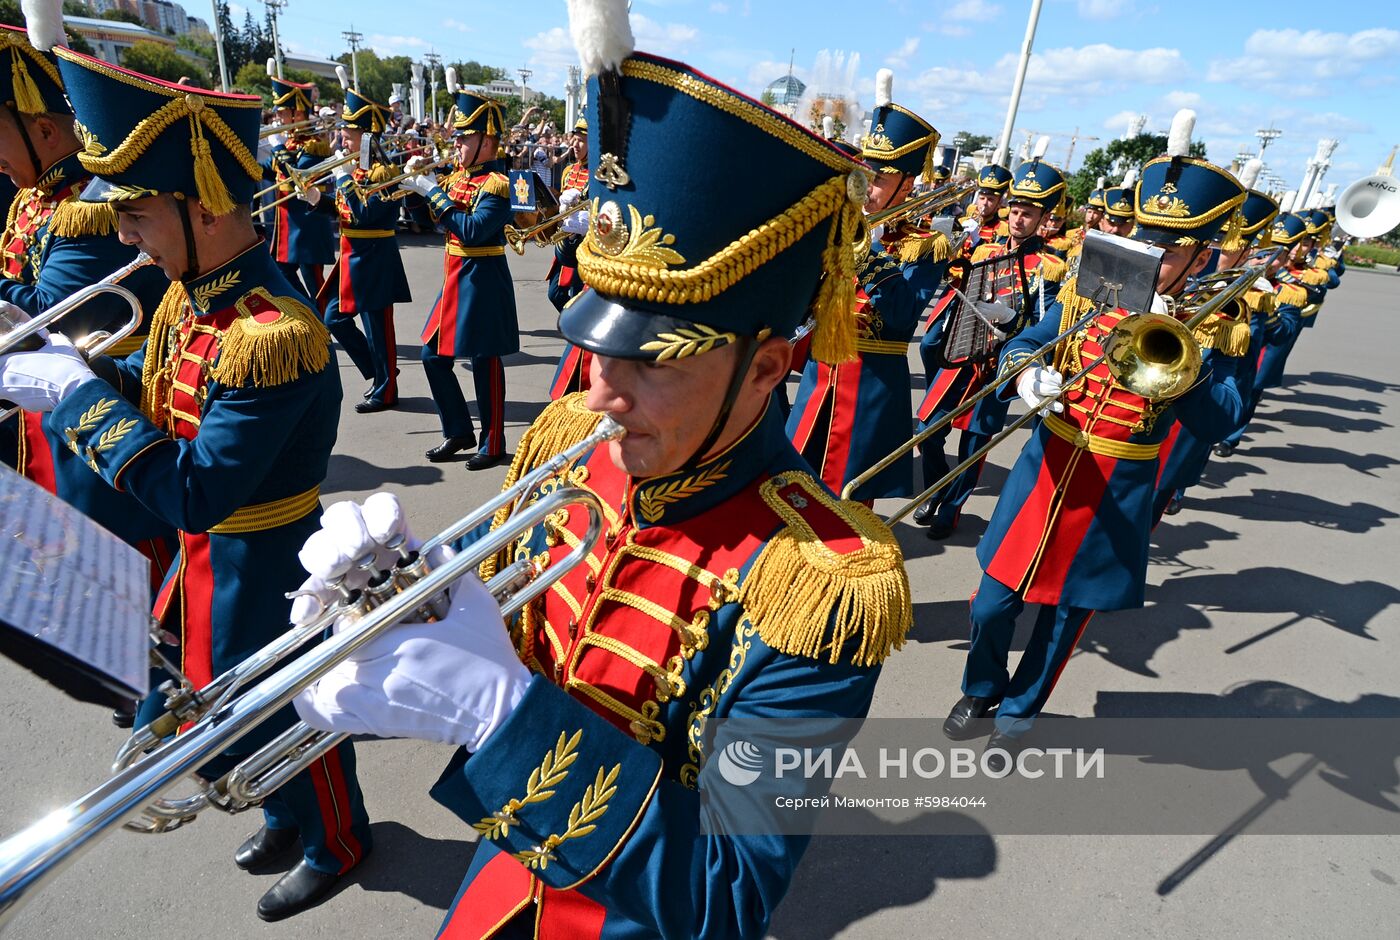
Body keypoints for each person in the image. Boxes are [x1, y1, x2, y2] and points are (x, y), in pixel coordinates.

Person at [290, 10, 911, 934]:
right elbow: (497, 607)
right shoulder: (576, 438)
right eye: (595, 349)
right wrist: (409, 596)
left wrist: (503, 719)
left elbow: (726, 898)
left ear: (770, 366)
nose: (602, 393)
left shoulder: (818, 583)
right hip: (502, 874)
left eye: (655, 361)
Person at [0, 45, 371, 921]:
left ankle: (338, 839)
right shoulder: (184, 295)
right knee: (230, 702)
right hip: (206, 560)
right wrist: (65, 363)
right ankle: (284, 813)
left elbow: (197, 492)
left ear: (202, 206)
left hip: (266, 553)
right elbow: (165, 411)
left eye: (136, 216)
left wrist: (79, 401)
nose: (123, 235)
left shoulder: (271, 333)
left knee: (288, 711)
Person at [943, 112, 1248, 756]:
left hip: (1117, 486)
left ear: (1197, 254)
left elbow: (1224, 417)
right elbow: (1026, 341)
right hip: (1048, 464)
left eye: (1173, 247)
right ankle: (981, 684)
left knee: (1062, 618)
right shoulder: (1088, 296)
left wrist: (1182, 355)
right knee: (992, 602)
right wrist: (1026, 376)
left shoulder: (1210, 322)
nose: (1154, 256)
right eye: (1148, 238)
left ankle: (1018, 717)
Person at [0, 17, 173, 621]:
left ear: (45, 128)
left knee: (123, 562)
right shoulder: (34, 197)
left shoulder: (91, 207)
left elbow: (53, 312)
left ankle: (154, 680)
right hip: (52, 408)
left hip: (111, 401)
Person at [787, 68, 949, 502]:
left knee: (848, 507)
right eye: (867, 172)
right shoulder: (841, 222)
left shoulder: (926, 245)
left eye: (881, 177)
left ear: (908, 184)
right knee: (792, 488)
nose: (868, 186)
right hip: (819, 373)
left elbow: (900, 317)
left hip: (871, 387)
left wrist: (867, 250)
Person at [912, 158, 1068, 538]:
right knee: (926, 429)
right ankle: (936, 489)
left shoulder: (1049, 266)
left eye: (1027, 214)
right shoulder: (984, 249)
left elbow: (1044, 326)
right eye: (1014, 211)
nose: (1017, 220)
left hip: (999, 363)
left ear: (1043, 217)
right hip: (963, 351)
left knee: (974, 445)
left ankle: (950, 509)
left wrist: (1010, 319)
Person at [399, 72, 517, 469]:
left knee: (485, 361)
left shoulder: (498, 185)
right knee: (432, 357)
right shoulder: (459, 179)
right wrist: (414, 190)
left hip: (482, 280)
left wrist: (431, 189)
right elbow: (434, 222)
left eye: (465, 137)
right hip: (454, 279)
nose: (458, 144)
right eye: (458, 137)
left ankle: (494, 440)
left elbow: (470, 230)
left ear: (487, 140)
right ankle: (458, 430)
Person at [1153, 161, 1279, 518]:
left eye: (1229, 246)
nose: (1220, 255)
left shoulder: (1234, 316)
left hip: (1176, 434)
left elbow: (1233, 398)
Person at [322, 82, 411, 413]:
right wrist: (319, 200)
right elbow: (346, 211)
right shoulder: (357, 168)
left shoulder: (384, 171)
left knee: (379, 330)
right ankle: (379, 373)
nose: (343, 139)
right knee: (334, 319)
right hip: (352, 257)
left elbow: (366, 215)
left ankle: (386, 389)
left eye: (349, 133)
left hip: (374, 258)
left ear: (368, 135)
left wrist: (343, 181)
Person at [1213, 211, 1322, 458]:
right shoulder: (1232, 279)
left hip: (1258, 354)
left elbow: (1285, 331)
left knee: (1249, 393)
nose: (1266, 262)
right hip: (1225, 351)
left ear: (1283, 261)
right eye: (1261, 254)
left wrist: (1268, 310)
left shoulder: (1289, 291)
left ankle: (1231, 437)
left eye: (1276, 257)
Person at [259, 61, 336, 301]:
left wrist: (279, 147)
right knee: (281, 273)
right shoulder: (289, 142)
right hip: (288, 226)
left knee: (314, 283)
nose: (277, 117)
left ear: (297, 112)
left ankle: (321, 324)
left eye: (282, 112)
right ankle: (310, 314)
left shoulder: (314, 144)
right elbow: (271, 172)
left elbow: (296, 178)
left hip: (307, 226)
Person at [546, 115, 594, 400]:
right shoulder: (569, 171)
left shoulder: (597, 173)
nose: (575, 143)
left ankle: (578, 366)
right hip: (566, 244)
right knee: (555, 294)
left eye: (581, 138)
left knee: (576, 301)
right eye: (574, 137)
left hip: (584, 250)